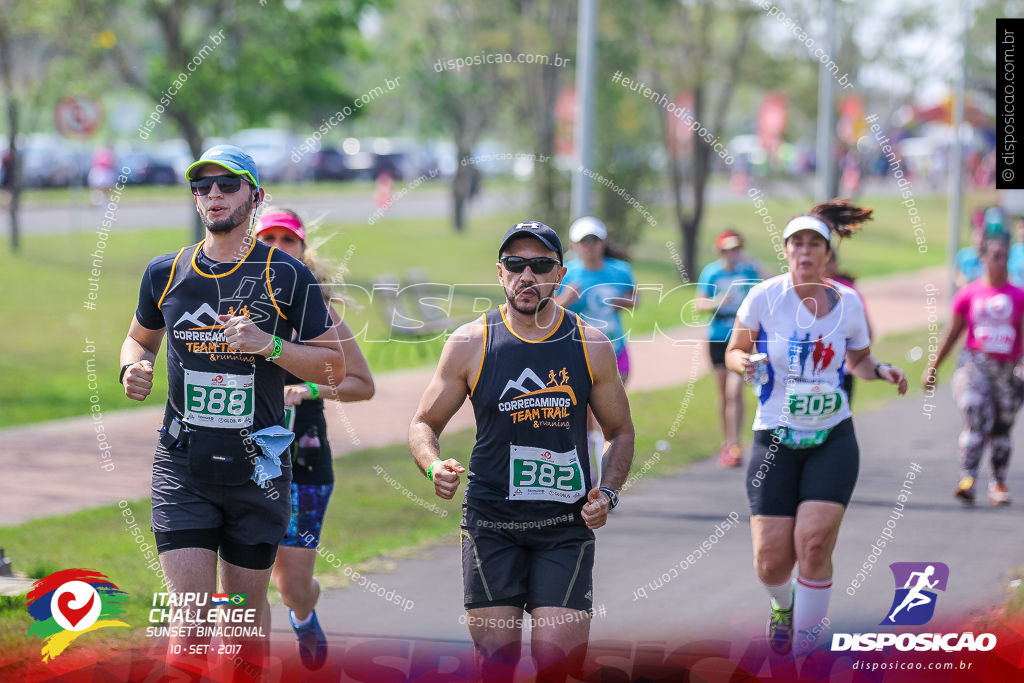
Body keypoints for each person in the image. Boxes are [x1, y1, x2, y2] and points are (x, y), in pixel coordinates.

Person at [119, 145, 345, 671]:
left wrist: (270, 345)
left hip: (259, 470)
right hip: (184, 464)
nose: (213, 194)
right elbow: (137, 341)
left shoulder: (287, 276)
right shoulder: (165, 272)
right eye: (203, 186)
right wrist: (133, 367)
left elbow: (336, 368)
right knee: (191, 621)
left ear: (255, 196)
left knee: (242, 627)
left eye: (227, 184)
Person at [409, 221, 635, 680]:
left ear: (560, 275)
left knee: (558, 662)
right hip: (492, 523)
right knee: (496, 662)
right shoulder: (471, 343)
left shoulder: (591, 344)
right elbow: (423, 424)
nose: (526, 275)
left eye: (540, 265)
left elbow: (620, 431)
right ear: (500, 272)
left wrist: (607, 493)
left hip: (564, 525)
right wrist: (433, 466)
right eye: (515, 264)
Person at [725, 200, 908, 657]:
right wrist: (742, 362)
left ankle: (807, 653)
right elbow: (733, 350)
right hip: (775, 439)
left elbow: (859, 360)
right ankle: (782, 606)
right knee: (771, 563)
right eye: (797, 243)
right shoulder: (764, 296)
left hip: (832, 437)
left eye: (814, 244)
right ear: (786, 251)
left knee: (813, 543)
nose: (805, 251)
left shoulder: (848, 303)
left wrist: (880, 370)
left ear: (828, 254)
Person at [256, 209, 375, 669]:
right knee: (243, 585)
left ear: (302, 252)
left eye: (289, 240)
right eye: (269, 238)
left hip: (303, 465)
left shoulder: (317, 314)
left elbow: (362, 384)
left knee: (291, 586)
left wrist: (308, 389)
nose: (279, 247)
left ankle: (303, 616)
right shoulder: (234, 305)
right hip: (242, 464)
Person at [924, 230, 1024, 506]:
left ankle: (999, 484)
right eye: (994, 256)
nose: (999, 262)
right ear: (982, 259)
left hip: (1007, 370)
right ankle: (967, 478)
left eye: (1004, 257)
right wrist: (933, 367)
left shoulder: (1019, 295)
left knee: (1002, 428)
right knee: (975, 415)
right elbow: (952, 333)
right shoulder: (969, 294)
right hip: (974, 365)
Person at [554, 216, 636, 478]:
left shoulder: (620, 270)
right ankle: (589, 480)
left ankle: (603, 483)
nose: (590, 246)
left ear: (603, 242)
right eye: (584, 241)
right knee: (585, 418)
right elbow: (547, 313)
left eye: (594, 240)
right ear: (574, 245)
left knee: (608, 417)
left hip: (615, 349)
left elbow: (634, 298)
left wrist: (622, 301)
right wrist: (565, 300)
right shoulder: (566, 273)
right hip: (579, 354)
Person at [696, 230, 763, 467]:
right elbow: (699, 303)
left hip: (742, 336)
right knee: (724, 392)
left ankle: (735, 445)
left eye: (736, 248)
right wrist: (716, 302)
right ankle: (727, 442)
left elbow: (770, 285)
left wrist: (755, 263)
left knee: (736, 390)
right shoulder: (712, 272)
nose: (732, 253)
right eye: (727, 249)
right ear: (720, 251)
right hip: (717, 335)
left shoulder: (748, 270)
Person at [823, 251, 873, 408]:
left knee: (839, 415)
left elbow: (867, 331)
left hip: (842, 370)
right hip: (814, 371)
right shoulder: (802, 290)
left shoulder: (848, 291)